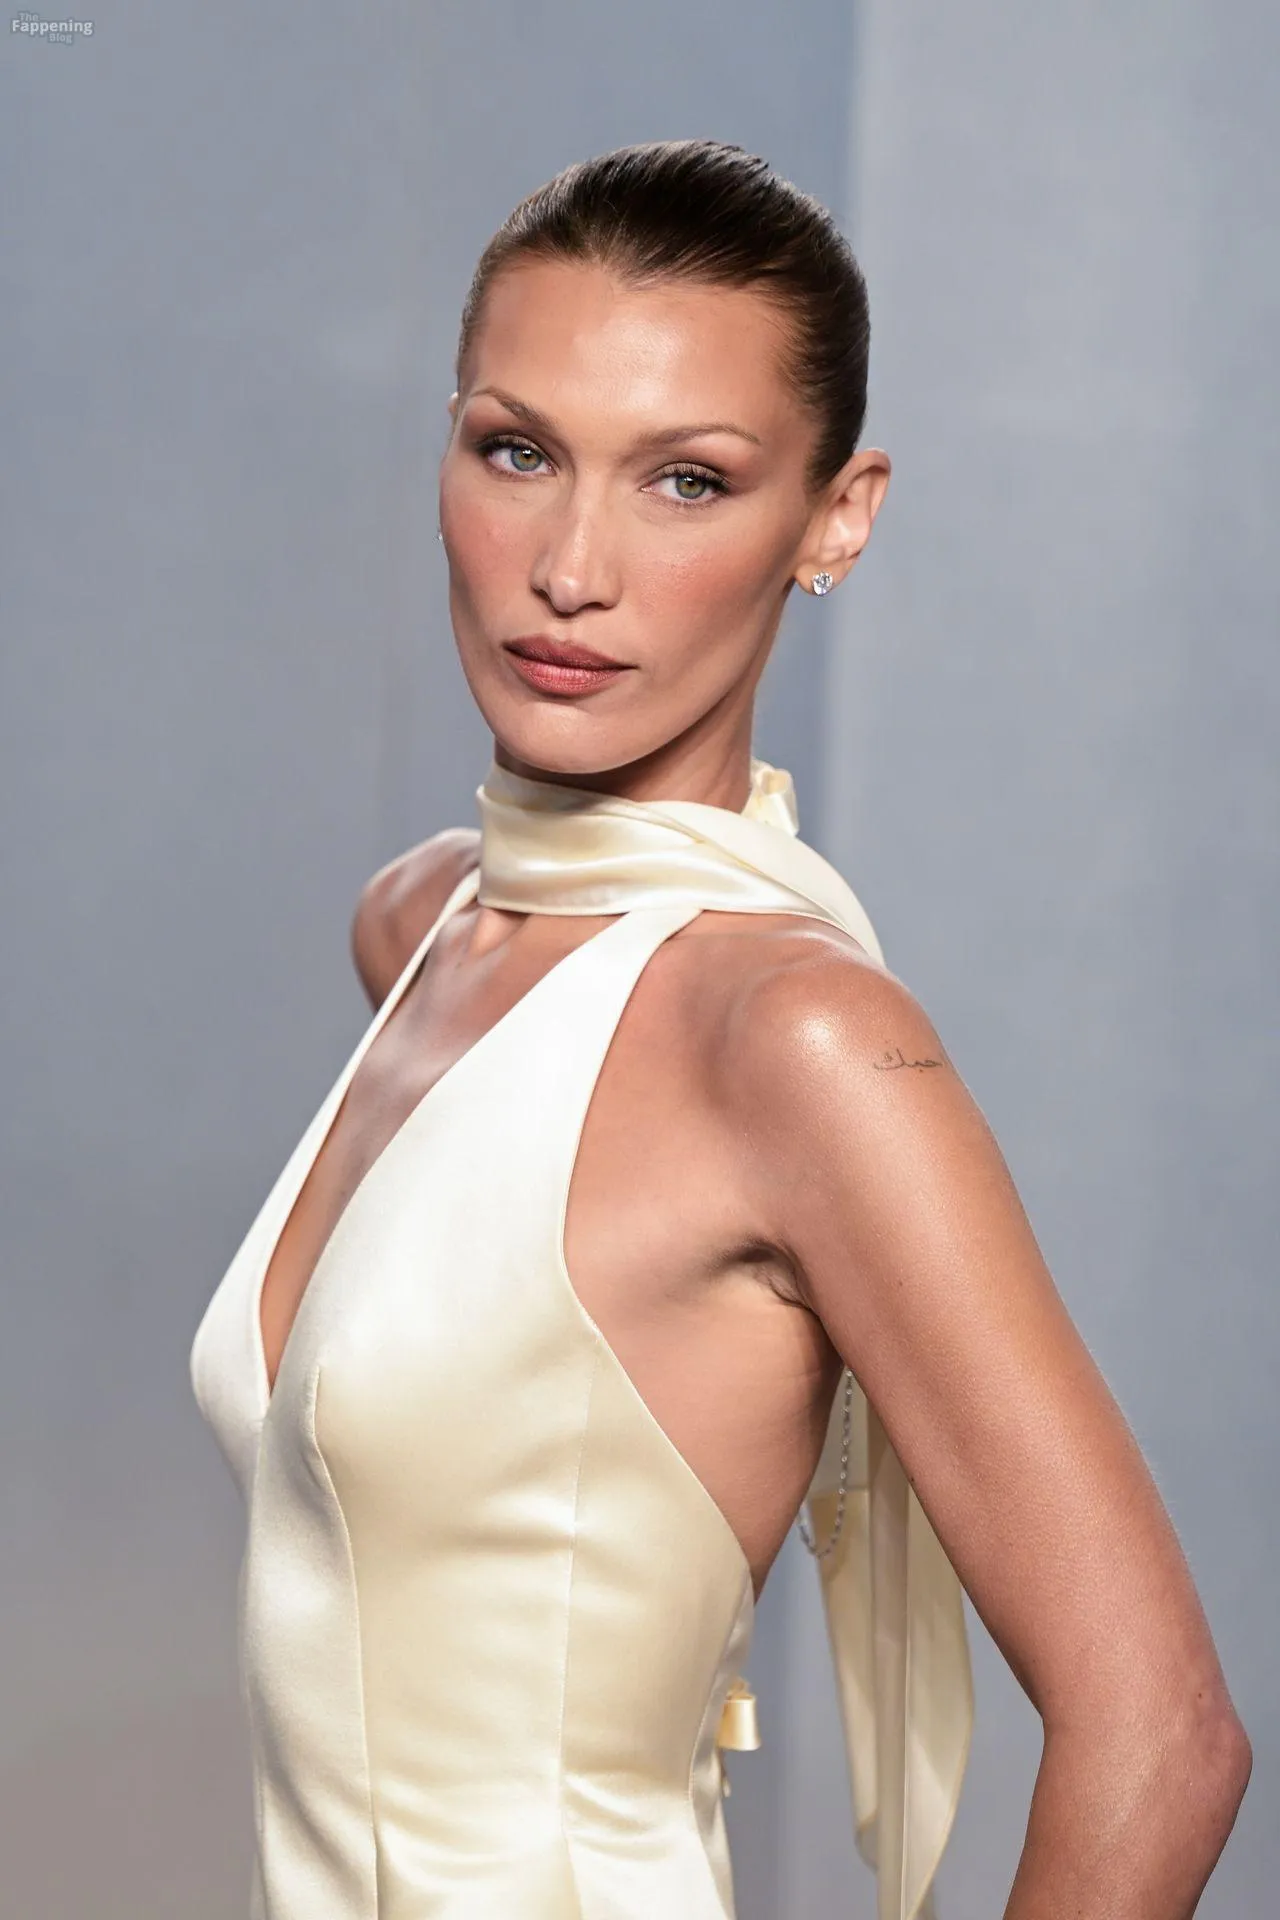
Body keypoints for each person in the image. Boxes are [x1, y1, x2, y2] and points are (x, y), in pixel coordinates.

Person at [189, 139, 1250, 1920]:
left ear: (835, 518)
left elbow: (1165, 1739)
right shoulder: (423, 927)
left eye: (687, 480)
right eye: (517, 451)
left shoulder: (793, 1047)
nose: (570, 567)